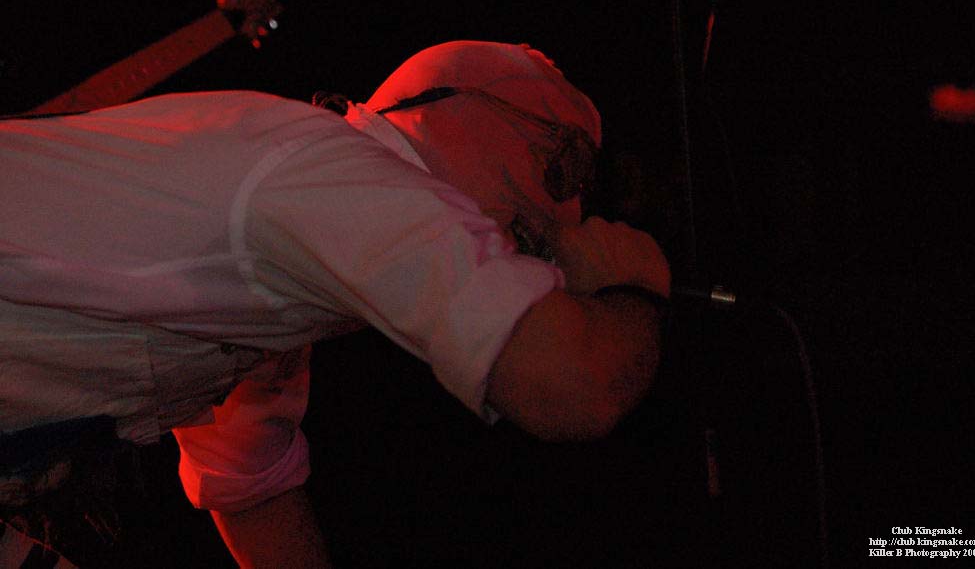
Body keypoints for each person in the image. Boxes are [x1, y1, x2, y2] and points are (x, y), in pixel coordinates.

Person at [1, 40, 670, 567]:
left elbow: (252, 487)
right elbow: (576, 383)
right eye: (563, 165)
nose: (567, 215)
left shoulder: (297, 268)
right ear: (446, 102)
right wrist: (635, 282)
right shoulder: (325, 166)